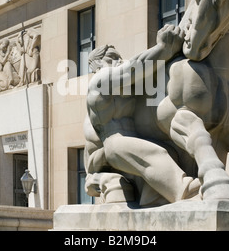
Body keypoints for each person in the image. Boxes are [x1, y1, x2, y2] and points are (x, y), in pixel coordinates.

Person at [84, 25, 201, 206]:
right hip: (116, 142)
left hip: (131, 141)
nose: (119, 60)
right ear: (97, 64)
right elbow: (133, 69)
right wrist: (163, 48)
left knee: (169, 151)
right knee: (155, 152)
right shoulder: (100, 81)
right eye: (113, 58)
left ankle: (152, 198)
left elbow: (143, 72)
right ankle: (186, 190)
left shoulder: (124, 89)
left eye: (119, 57)